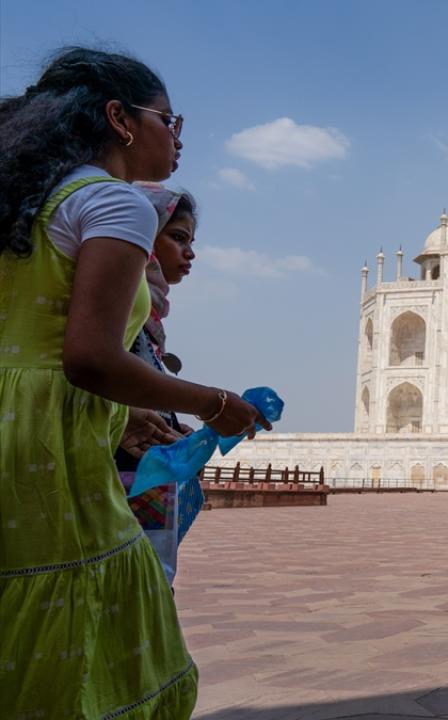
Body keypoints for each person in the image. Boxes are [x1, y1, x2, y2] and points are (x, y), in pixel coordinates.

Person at [0, 47, 268, 718]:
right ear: (120, 119)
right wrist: (216, 403)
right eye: (169, 120)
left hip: (15, 420)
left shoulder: (24, 207)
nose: (176, 138)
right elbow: (88, 357)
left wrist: (121, 418)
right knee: (99, 620)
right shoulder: (114, 205)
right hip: (46, 445)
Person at [114, 183, 199, 587]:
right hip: (114, 480)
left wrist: (170, 427)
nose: (189, 253)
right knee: (129, 588)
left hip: (140, 480)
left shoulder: (147, 314)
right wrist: (216, 404)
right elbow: (94, 372)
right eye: (177, 237)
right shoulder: (117, 300)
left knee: (144, 587)